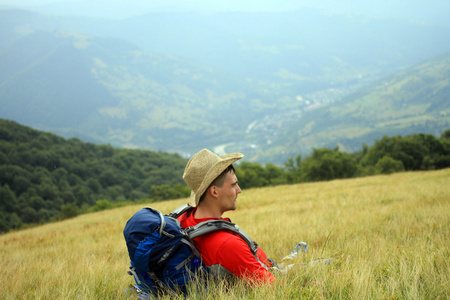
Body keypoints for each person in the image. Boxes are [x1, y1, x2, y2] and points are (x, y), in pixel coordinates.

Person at [178, 148, 276, 286]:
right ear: (214, 191)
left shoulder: (182, 217)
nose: (239, 190)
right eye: (234, 184)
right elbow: (273, 287)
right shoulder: (227, 245)